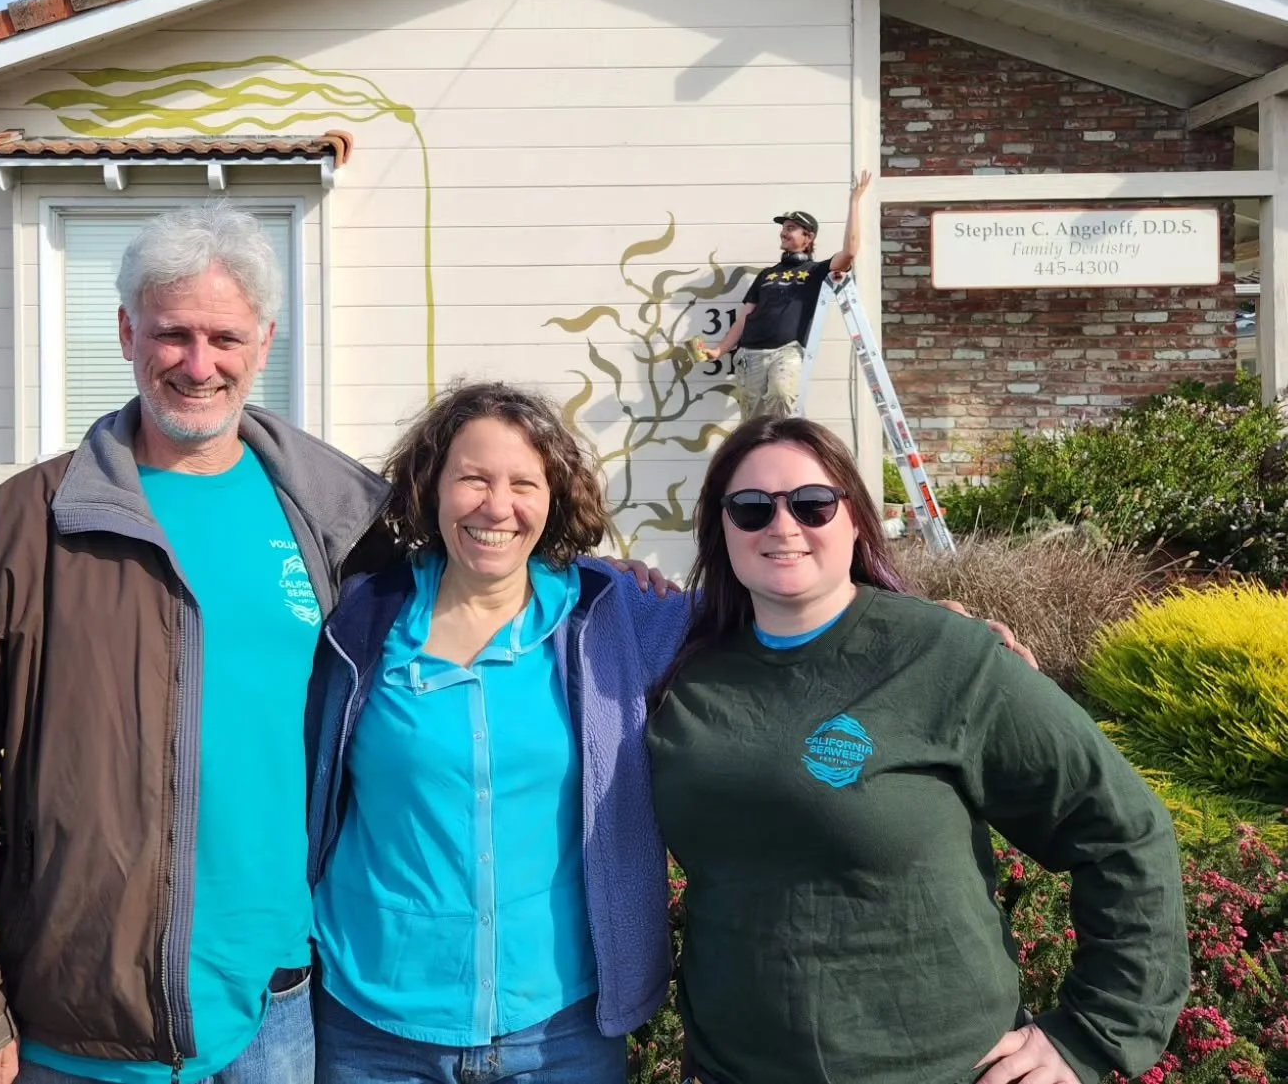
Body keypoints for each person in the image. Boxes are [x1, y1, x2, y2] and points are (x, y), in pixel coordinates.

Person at [306, 383, 1039, 1084]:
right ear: (430, 485)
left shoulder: (616, 614)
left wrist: (920, 623)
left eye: (523, 483)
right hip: (375, 1021)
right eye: (472, 478)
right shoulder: (359, 620)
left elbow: (779, 610)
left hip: (558, 1029)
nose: (497, 506)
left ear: (554, 496)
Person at [0, 203, 392, 1084]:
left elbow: (490, 576)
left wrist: (619, 588)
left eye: (224, 336)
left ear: (264, 341)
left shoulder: (340, 524)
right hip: (75, 1024)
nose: (198, 363)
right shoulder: (25, 530)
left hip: (276, 1012)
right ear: (125, 332)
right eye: (172, 333)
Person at [646, 415, 1190, 1084]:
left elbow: (1120, 830)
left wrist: (1093, 1030)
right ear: (720, 527)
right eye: (751, 508)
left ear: (854, 519)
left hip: (940, 1067)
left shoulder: (948, 656)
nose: (781, 526)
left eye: (812, 504)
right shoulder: (684, 665)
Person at [703, 170, 872, 418]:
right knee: (753, 422)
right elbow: (744, 318)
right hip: (750, 354)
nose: (784, 232)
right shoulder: (766, 275)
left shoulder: (816, 270)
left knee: (782, 396)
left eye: (791, 228)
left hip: (788, 350)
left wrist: (854, 201)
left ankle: (780, 448)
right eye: (783, 228)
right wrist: (720, 350)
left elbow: (849, 251)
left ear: (808, 237)